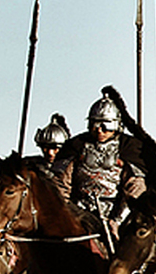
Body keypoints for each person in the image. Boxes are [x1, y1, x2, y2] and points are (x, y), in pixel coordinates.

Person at [52, 87, 148, 246]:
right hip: (79, 214)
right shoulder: (76, 147)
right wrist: (65, 213)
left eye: (105, 126)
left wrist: (117, 220)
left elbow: (135, 188)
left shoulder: (129, 150)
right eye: (95, 125)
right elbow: (61, 185)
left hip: (116, 217)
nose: (100, 131)